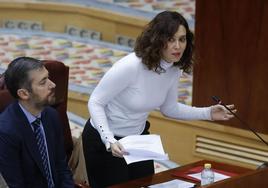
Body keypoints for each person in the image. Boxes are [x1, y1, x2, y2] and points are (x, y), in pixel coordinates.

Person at [82, 11, 236, 187]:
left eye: (182, 39)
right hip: (106, 142)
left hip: (137, 140)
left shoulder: (173, 68)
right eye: (170, 39)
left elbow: (169, 108)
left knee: (147, 184)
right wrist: (108, 139)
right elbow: (95, 101)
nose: (177, 46)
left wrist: (208, 113)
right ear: (157, 40)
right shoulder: (131, 66)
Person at [0, 57, 74, 187]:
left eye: (48, 78)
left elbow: (62, 167)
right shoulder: (6, 132)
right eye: (43, 82)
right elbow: (16, 185)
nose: (52, 84)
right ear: (23, 94)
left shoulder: (52, 115)